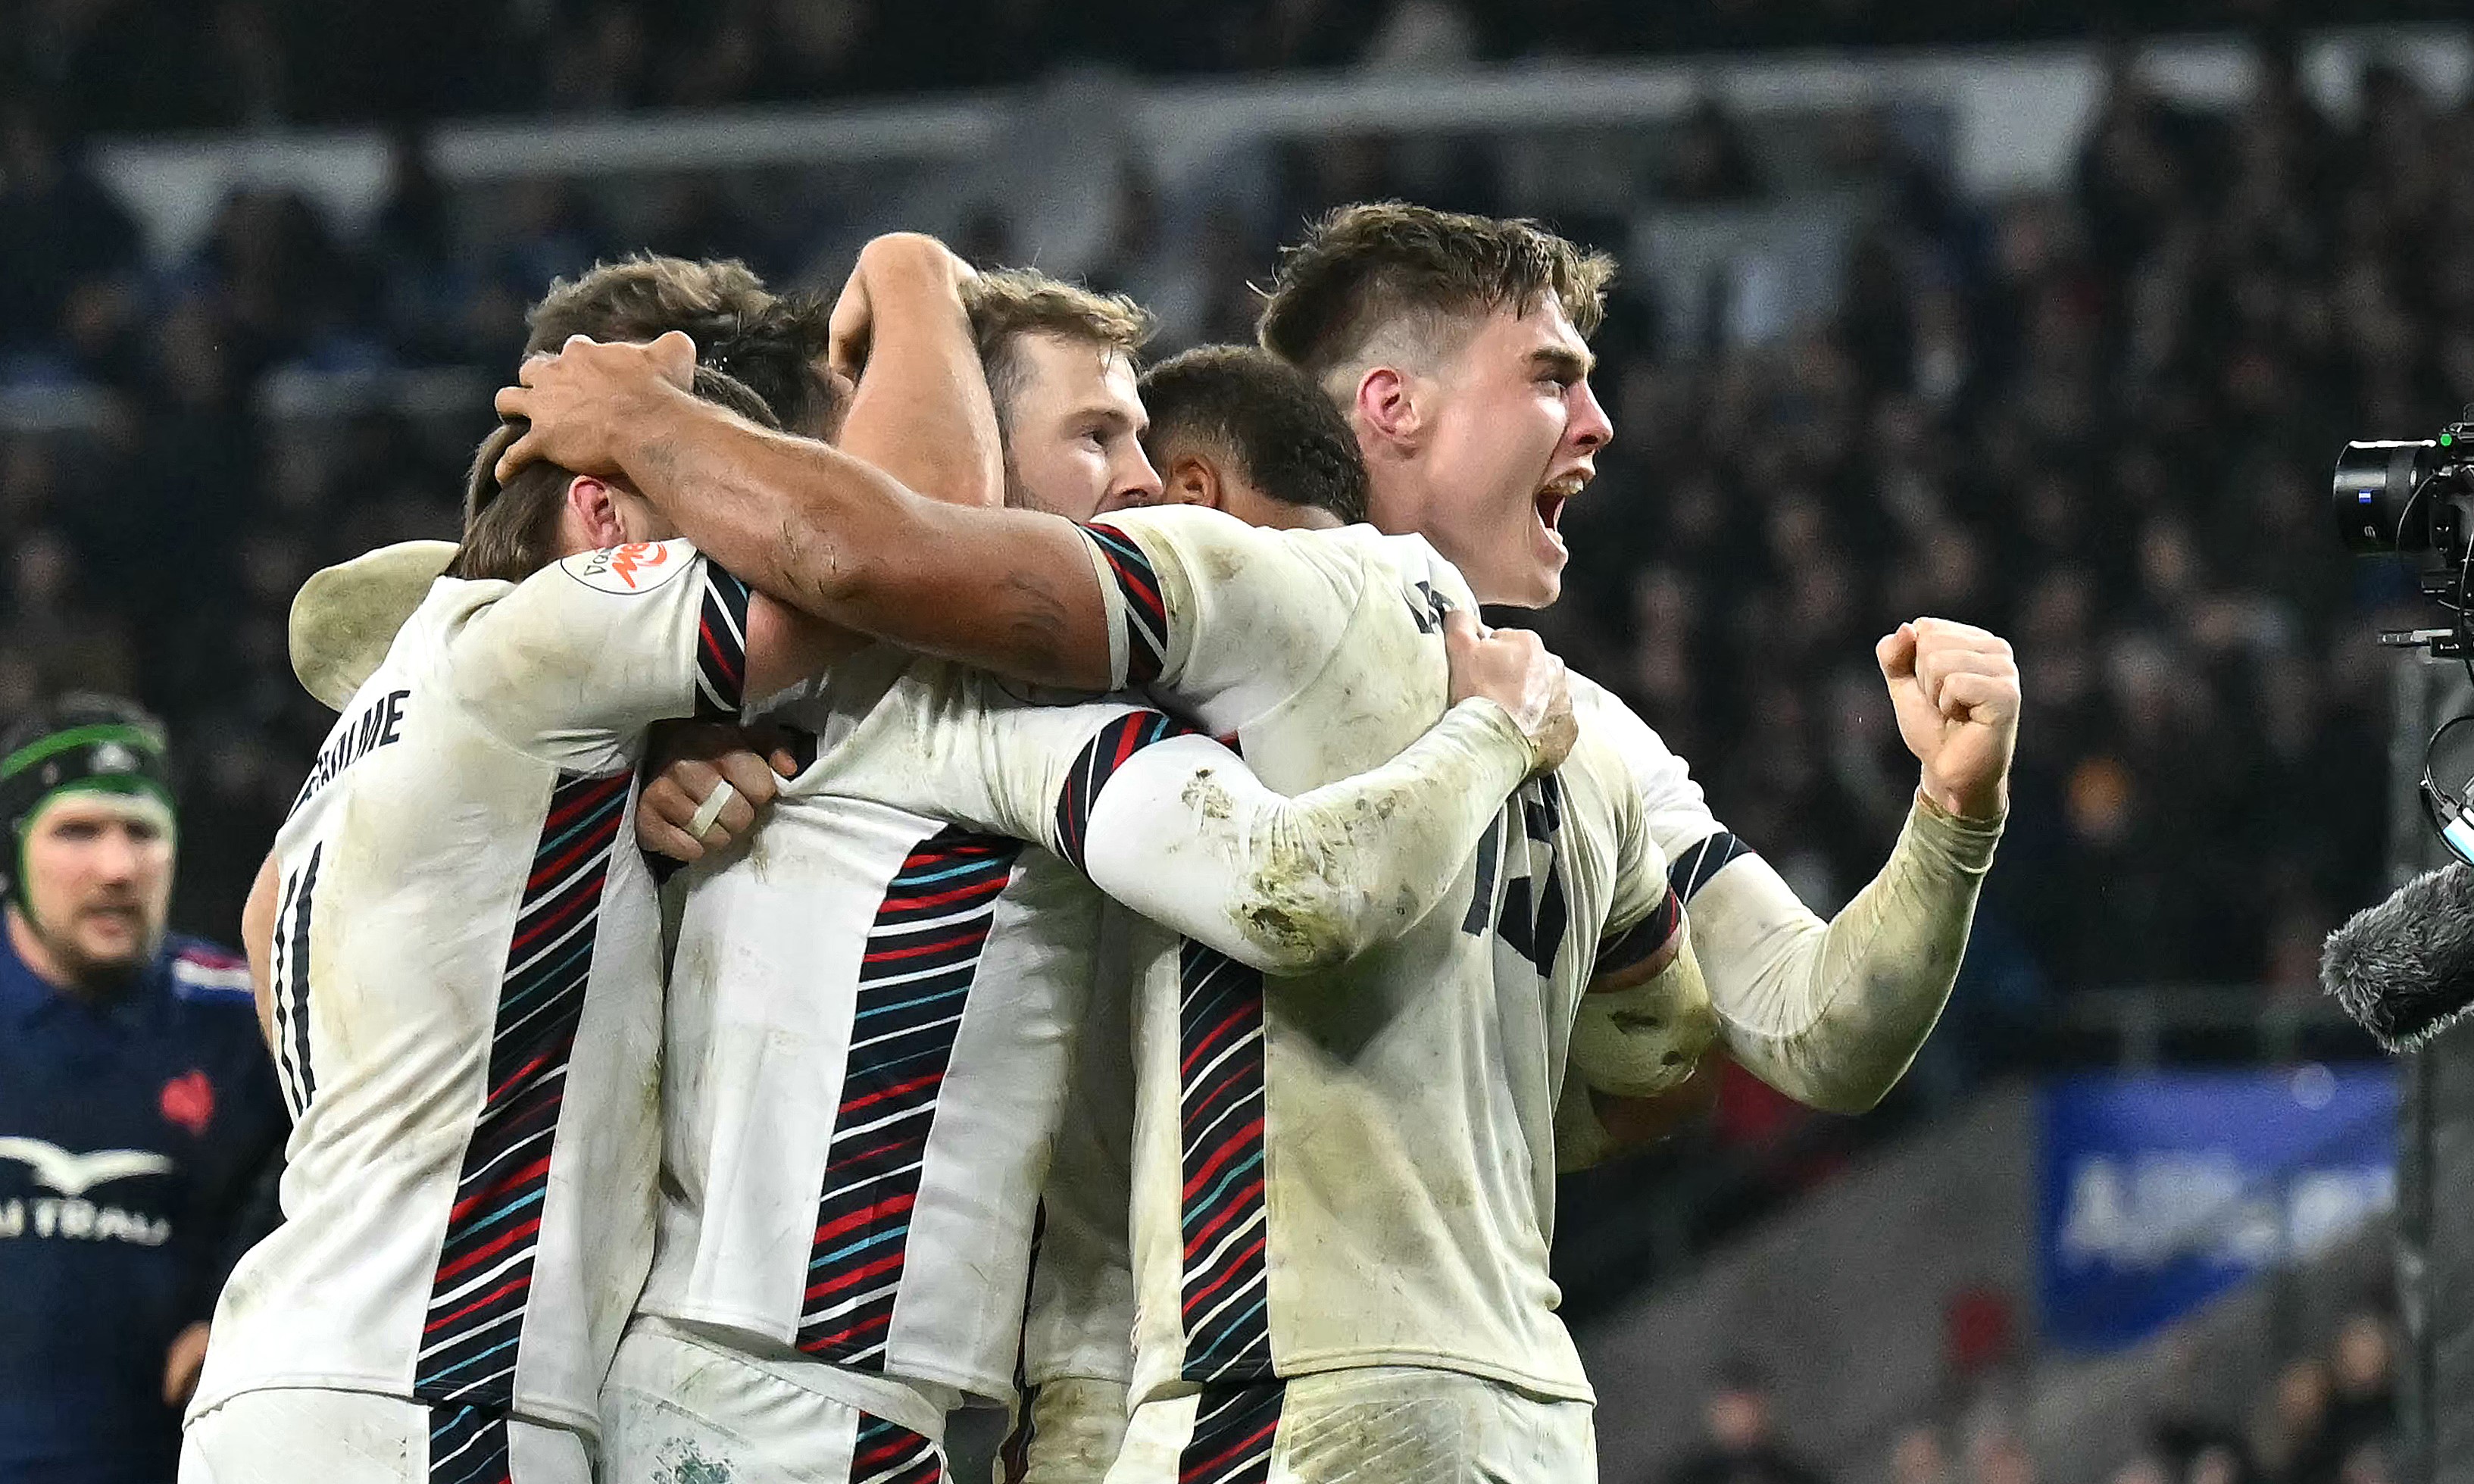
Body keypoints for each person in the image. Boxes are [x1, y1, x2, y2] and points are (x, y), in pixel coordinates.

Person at [180, 356, 900, 1482]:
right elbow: (864, 568)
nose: (733, 555)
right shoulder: (537, 638)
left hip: (280, 1383)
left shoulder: (396, 703)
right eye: (707, 514)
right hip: (433, 1389)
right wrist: (910, 290)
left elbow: (264, 906)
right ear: (602, 513)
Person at [0, 695, 286, 1484]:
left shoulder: (251, 1018)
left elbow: (340, 1164)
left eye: (142, 831)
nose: (117, 868)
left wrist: (239, 1302)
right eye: (77, 831)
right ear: (11, 848)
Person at [1659, 1361, 1831, 1484]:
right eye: (1730, 1412)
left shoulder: (1795, 1477)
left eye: (1746, 1410)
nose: (1739, 1421)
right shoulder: (1688, 1477)